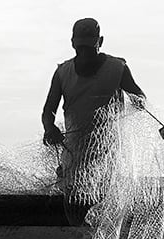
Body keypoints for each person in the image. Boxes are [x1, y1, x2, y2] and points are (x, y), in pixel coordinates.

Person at [39, 17, 146, 196]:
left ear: (100, 42)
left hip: (109, 153)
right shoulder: (62, 72)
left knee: (105, 195)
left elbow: (140, 97)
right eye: (81, 49)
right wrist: (50, 128)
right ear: (73, 44)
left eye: (88, 48)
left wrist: (138, 102)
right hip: (74, 154)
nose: (85, 54)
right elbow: (48, 110)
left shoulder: (118, 68)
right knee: (72, 196)